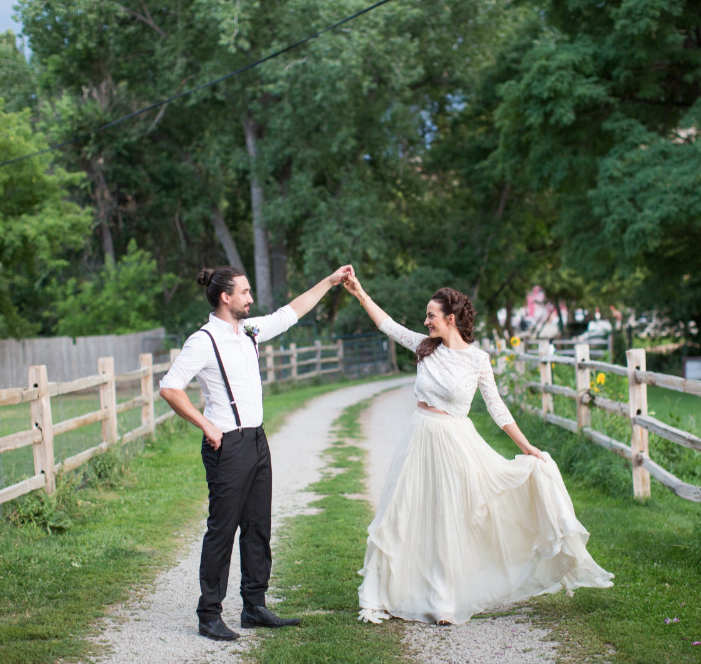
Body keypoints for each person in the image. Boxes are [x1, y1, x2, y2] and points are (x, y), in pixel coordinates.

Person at [342, 275, 613, 625]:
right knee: (403, 513)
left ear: (450, 319)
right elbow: (387, 325)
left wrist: (528, 447)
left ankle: (443, 601)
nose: (426, 322)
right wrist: (361, 292)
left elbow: (497, 409)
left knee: (448, 520)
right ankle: (386, 592)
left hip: (456, 443)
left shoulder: (478, 360)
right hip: (420, 436)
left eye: (431, 316)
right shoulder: (425, 346)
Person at [160, 264, 353, 641]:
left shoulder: (248, 330)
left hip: (257, 441)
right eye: (244, 292)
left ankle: (254, 606)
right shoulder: (203, 340)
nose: (251, 298)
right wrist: (206, 424)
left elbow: (291, 312)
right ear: (225, 297)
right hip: (226, 445)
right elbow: (170, 387)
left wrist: (329, 282)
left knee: (257, 526)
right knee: (222, 530)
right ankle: (209, 614)